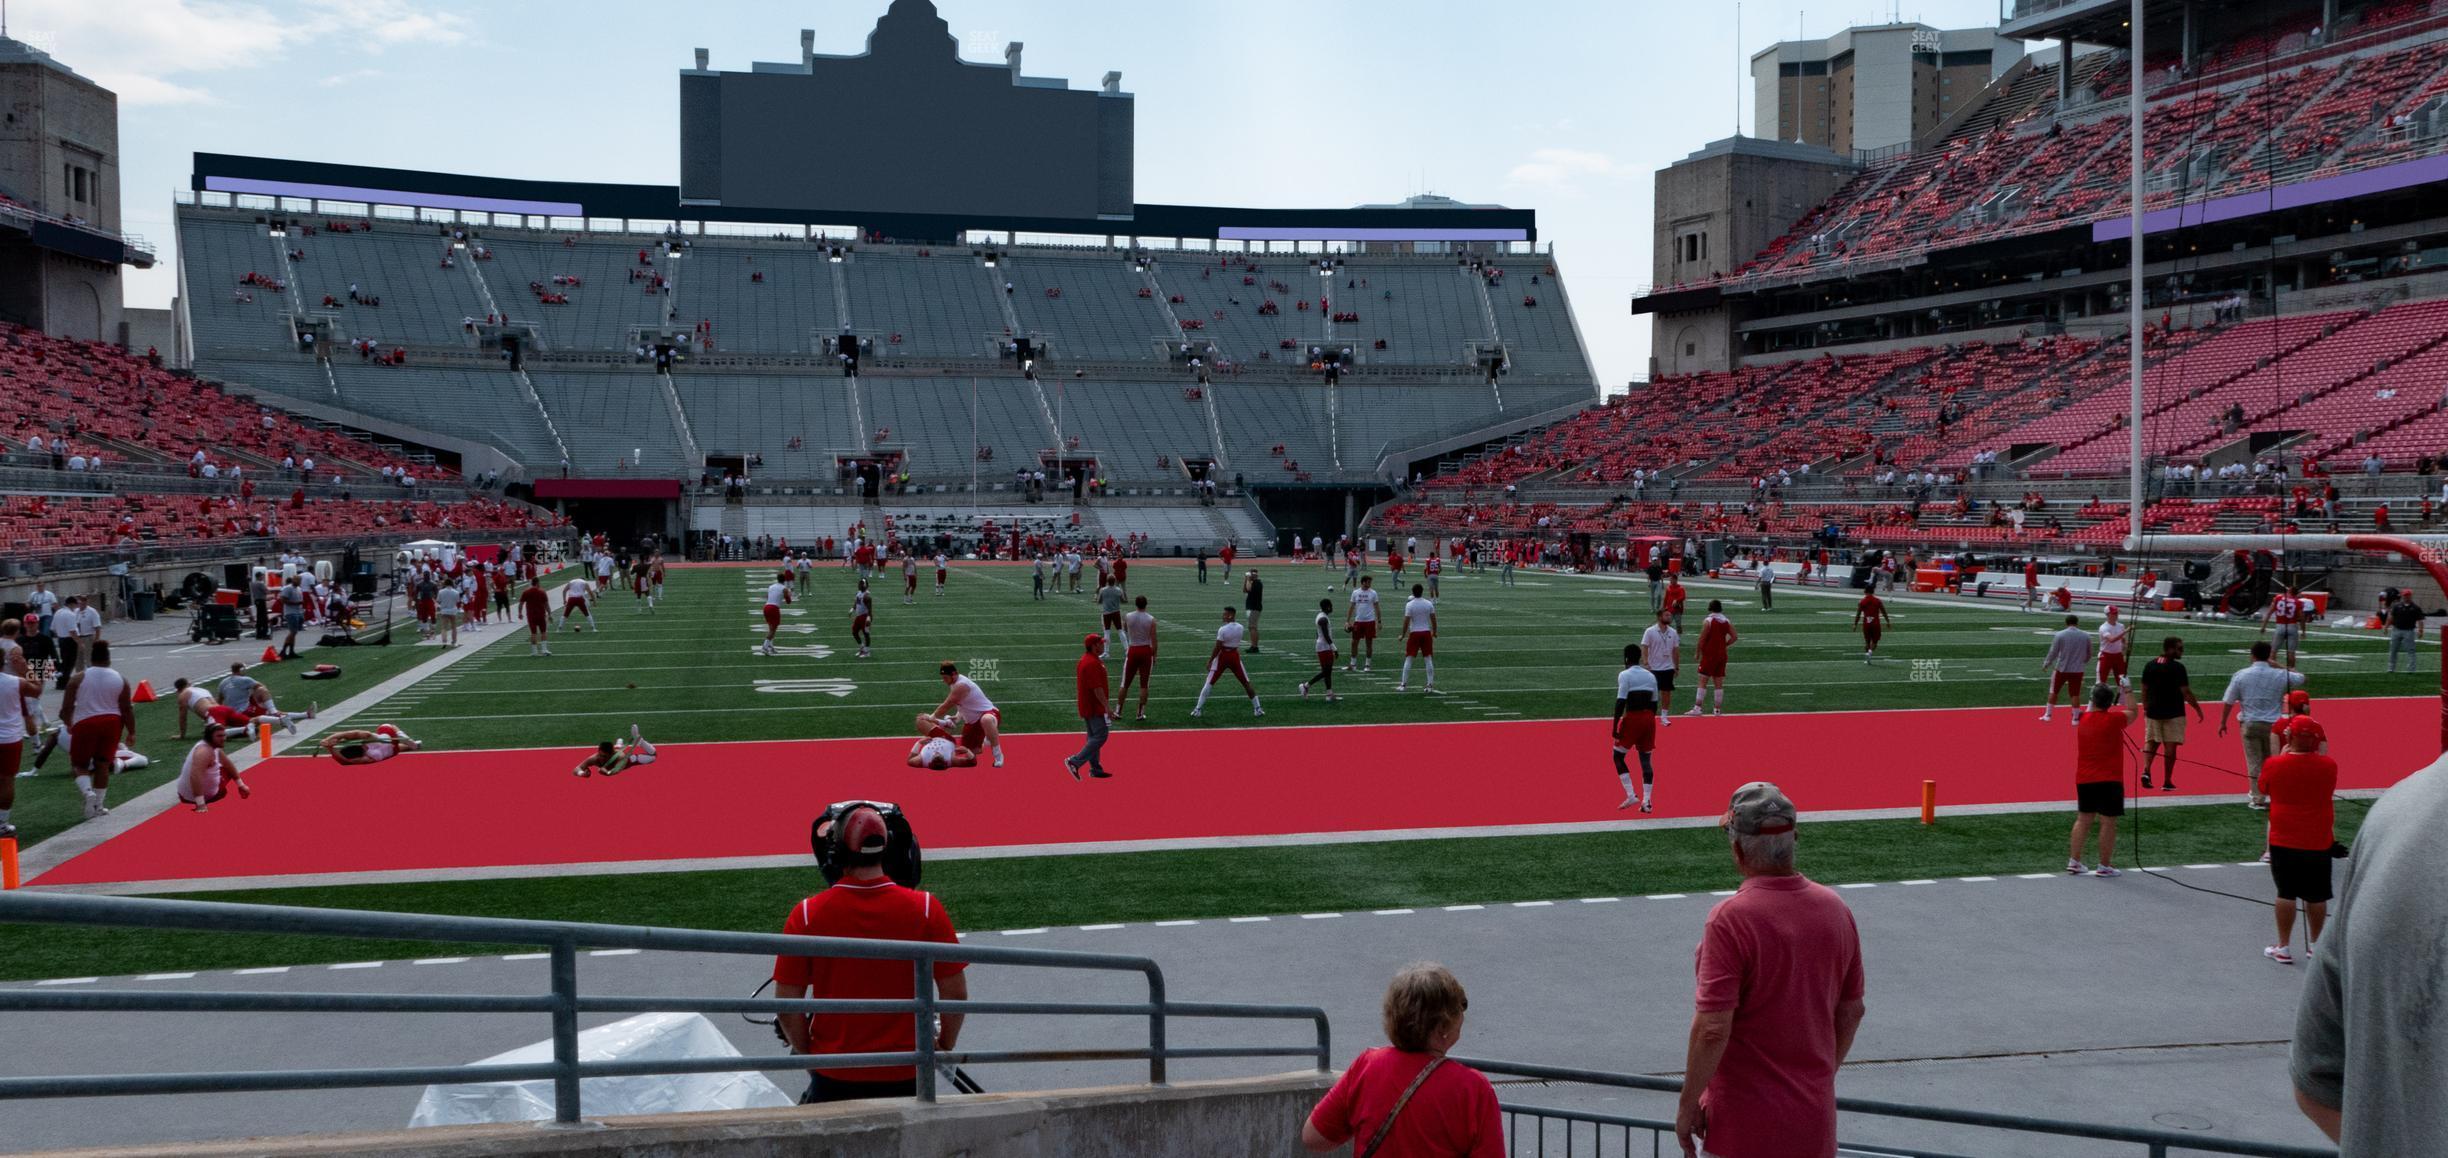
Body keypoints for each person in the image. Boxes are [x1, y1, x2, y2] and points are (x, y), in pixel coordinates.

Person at [1676, 782, 1867, 1158]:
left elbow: (1713, 1028)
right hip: (1813, 1125)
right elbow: (1852, 1010)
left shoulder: (1730, 920)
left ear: (1736, 848)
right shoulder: (1835, 910)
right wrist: (1816, 1079)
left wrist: (1686, 1105)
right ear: (1794, 839)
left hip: (1743, 1130)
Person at [2291, 756, 2448, 1151]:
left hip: (2293, 848)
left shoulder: (2394, 811)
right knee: (2313, 899)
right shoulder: (2329, 769)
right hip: (2316, 851)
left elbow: (2315, 1080)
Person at [771, 805, 968, 1104]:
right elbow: (955, 994)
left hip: (833, 1071)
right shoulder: (926, 908)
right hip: (906, 1069)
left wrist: (810, 1056)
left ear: (835, 852)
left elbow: (787, 1005)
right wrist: (942, 1044)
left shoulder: (807, 914)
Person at [1301, 962, 1502, 1157]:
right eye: (1460, 1010)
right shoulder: (1473, 1090)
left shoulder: (1369, 1065)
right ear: (1443, 1026)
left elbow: (1313, 1137)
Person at [2220, 641, 2306, 809]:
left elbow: (2229, 700)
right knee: (2274, 761)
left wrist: (2223, 722)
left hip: (2250, 723)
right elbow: (2301, 678)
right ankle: (2277, 794)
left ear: (2252, 655)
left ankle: (2258, 798)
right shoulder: (2279, 674)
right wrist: (2279, 665)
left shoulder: (2241, 674)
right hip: (2274, 725)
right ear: (2269, 656)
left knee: (2254, 762)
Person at [61, 641, 134, 821]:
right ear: (109, 659)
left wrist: (69, 723)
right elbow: (126, 708)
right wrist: (131, 731)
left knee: (80, 765)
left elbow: (66, 708)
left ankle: (87, 793)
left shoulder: (78, 678)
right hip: (112, 722)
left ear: (90, 659)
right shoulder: (121, 679)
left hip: (85, 722)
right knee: (103, 763)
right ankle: (99, 806)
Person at [2069, 684, 2132, 876]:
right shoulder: (2115, 719)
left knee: (2083, 819)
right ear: (2109, 702)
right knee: (2108, 822)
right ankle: (2104, 865)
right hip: (2109, 779)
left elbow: (2091, 706)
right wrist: (2127, 690)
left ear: (2093, 700)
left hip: (2085, 778)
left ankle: (2075, 861)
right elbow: (2134, 711)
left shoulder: (2083, 719)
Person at [2136, 636, 2205, 791]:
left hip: (2153, 711)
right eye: (2179, 648)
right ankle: (2167, 780)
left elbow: (2144, 688)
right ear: (2170, 649)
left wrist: (2145, 706)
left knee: (2151, 741)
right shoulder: (2178, 668)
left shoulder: (2150, 665)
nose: (2182, 651)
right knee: (2170, 746)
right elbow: (2186, 692)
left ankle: (2146, 770)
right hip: (2174, 712)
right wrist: (2197, 709)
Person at [1190, 606, 1263, 719]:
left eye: (1225, 614)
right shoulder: (1240, 627)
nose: (1222, 616)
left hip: (1223, 656)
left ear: (1230, 615)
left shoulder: (1223, 629)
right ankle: (1257, 708)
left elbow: (1218, 647)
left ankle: (1198, 709)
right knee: (1246, 682)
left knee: (1209, 682)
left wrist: (1210, 660)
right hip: (1234, 655)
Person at [1612, 644, 1661, 812]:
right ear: (1639, 657)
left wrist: (1615, 725)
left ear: (1626, 658)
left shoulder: (1625, 675)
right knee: (1646, 761)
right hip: (1648, 718)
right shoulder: (1650, 676)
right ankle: (1647, 801)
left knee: (1618, 756)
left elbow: (1621, 702)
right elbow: (1655, 703)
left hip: (1633, 717)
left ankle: (1631, 794)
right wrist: (1648, 720)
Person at [929, 662, 1005, 767]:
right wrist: (958, 717)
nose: (944, 680)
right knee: (973, 752)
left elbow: (947, 705)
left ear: (954, 674)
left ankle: (998, 756)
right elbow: (962, 703)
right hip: (972, 722)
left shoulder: (961, 685)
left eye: (945, 678)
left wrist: (931, 717)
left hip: (989, 713)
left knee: (986, 720)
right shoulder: (954, 683)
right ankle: (986, 738)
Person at [1064, 635, 1114, 781]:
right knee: (1101, 735)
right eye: (1100, 643)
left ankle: (1095, 769)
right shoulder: (1092, 663)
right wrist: (1107, 707)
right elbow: (1097, 689)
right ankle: (1075, 761)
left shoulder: (1087, 660)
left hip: (1088, 704)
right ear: (1094, 645)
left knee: (1093, 737)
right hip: (1094, 706)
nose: (1103, 645)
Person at [175, 722, 251, 813]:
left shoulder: (210, 746)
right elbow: (195, 777)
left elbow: (227, 763)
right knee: (225, 771)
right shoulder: (204, 753)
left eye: (224, 735)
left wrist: (241, 785)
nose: (223, 739)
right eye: (219, 736)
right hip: (205, 797)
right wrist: (201, 804)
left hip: (184, 795)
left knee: (226, 767)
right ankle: (202, 799)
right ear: (210, 737)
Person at [0, 660, 37, 838]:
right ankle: (2, 823)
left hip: (9, 737)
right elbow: (37, 690)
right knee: (7, 780)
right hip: (10, 738)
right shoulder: (15, 681)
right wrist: (28, 669)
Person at [2040, 614, 2093, 725]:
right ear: (2077, 623)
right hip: (2077, 669)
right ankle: (2075, 718)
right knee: (2075, 694)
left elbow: (2053, 652)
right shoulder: (2085, 636)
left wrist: (2046, 663)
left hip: (2062, 668)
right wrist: (2083, 662)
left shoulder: (2060, 635)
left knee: (2054, 691)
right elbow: (2089, 654)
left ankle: (2048, 715)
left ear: (2066, 623)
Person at [1690, 600, 1737, 717]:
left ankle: (1698, 707)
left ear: (1710, 609)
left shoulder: (1709, 621)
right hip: (1721, 655)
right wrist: (1724, 644)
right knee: (1718, 682)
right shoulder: (1726, 621)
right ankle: (1717, 709)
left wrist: (1697, 653)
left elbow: (1702, 639)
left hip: (1709, 655)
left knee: (1702, 681)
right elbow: (1734, 637)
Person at [1120, 596, 1158, 721]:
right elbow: (1154, 640)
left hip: (1133, 649)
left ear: (1136, 604)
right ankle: (1140, 712)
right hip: (1145, 651)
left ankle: (1118, 710)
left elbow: (1125, 629)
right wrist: (1155, 655)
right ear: (1146, 605)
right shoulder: (1151, 619)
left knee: (1125, 683)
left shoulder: (1128, 616)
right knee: (1144, 684)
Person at [1394, 584, 1437, 694]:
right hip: (1426, 632)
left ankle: (1403, 684)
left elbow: (1406, 621)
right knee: (1428, 658)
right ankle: (1430, 684)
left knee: (1409, 658)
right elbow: (1433, 619)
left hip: (1415, 633)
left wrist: (1402, 635)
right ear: (1422, 591)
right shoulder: (1428, 603)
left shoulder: (1410, 605)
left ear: (1412, 592)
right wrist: (1435, 632)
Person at [1641, 609, 1680, 723]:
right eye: (1666, 615)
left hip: (1668, 667)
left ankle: (1664, 716)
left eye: (1670, 615)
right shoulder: (1650, 631)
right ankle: (1650, 715)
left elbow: (1676, 650)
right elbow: (1644, 646)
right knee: (1652, 692)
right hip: (1653, 667)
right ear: (1659, 617)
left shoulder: (1673, 632)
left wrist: (1676, 666)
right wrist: (1646, 662)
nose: (1669, 617)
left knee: (1666, 692)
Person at [574, 726, 659, 777]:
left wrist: (607, 772)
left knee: (654, 756)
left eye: (604, 756)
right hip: (615, 751)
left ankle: (641, 742)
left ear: (611, 754)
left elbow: (616, 771)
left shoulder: (620, 757)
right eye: (599, 754)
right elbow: (576, 769)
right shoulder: (594, 758)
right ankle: (619, 744)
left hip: (628, 761)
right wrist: (582, 774)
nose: (600, 758)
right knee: (618, 747)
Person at [316, 724, 422, 764]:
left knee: (398, 747)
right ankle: (402, 735)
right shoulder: (367, 738)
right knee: (386, 727)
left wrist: (330, 747)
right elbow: (350, 734)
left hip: (391, 751)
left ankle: (413, 745)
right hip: (388, 738)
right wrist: (329, 740)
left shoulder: (367, 758)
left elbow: (346, 761)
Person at [905, 713, 979, 769]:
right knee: (923, 719)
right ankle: (946, 723)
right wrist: (967, 751)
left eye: (935, 756)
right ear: (944, 761)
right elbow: (972, 763)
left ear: (931, 761)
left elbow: (909, 760)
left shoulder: (922, 761)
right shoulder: (951, 760)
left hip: (931, 738)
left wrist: (919, 743)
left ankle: (947, 723)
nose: (937, 752)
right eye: (940, 755)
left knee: (920, 718)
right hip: (944, 738)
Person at [1301, 598, 1339, 703]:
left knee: (1327, 672)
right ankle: (1306, 686)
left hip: (1322, 646)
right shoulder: (1323, 619)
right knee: (1326, 671)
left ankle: (1329, 694)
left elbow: (1318, 633)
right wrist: (1334, 648)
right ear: (1327, 607)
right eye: (1331, 605)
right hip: (1324, 647)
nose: (1332, 607)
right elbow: (1326, 636)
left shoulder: (1321, 616)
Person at [2264, 586, 2307, 667]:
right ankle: (2292, 671)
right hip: (2292, 626)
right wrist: (2303, 631)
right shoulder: (2298, 602)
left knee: (2273, 651)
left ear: (2288, 591)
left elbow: (2269, 613)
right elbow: (2302, 618)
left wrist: (2263, 626)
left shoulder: (2278, 598)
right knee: (2291, 653)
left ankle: (2272, 669)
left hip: (2280, 626)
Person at [1346, 575, 1381, 673]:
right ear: (1363, 582)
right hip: (1358, 621)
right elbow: (1351, 607)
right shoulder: (1355, 592)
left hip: (1370, 621)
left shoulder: (1373, 593)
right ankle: (1353, 664)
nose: (1369, 584)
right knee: (1354, 642)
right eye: (1368, 582)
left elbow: (1377, 607)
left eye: (1370, 582)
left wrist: (1379, 621)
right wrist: (1347, 621)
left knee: (1369, 643)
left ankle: (1367, 664)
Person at [2384, 591, 2423, 673]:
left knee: (2411, 650)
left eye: (2408, 595)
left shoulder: (2416, 608)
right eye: (2405, 595)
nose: (2406, 597)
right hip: (2396, 630)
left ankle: (2411, 669)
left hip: (2409, 631)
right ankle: (2391, 668)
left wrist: (2420, 630)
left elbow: (2420, 620)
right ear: (2402, 596)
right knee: (2393, 650)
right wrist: (2386, 627)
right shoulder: (2396, 606)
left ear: (2411, 596)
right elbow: (2391, 617)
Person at [760, 570, 794, 657]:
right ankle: (764, 647)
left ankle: (771, 646)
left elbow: (767, 597)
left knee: (771, 628)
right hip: (774, 608)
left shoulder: (771, 586)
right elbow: (788, 602)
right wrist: (789, 594)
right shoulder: (784, 588)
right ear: (784, 580)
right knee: (773, 629)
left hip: (766, 607)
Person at [2095, 605, 2130, 690]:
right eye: (2114, 613)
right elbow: (2112, 640)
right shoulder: (2104, 627)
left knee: (2123, 681)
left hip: (2118, 656)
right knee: (2100, 682)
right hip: (2106, 656)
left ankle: (2123, 702)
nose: (2116, 615)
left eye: (2117, 613)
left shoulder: (2120, 626)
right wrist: (2126, 631)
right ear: (2107, 615)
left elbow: (2123, 639)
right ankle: (2093, 703)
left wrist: (2125, 646)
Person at [1854, 587, 1889, 663]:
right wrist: (1888, 621)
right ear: (1873, 592)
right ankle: (1870, 652)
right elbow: (1884, 612)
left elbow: (1858, 614)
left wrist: (1855, 624)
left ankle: (1867, 658)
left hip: (1866, 623)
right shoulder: (1878, 601)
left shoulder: (1862, 601)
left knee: (1867, 642)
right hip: (1875, 623)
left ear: (1865, 591)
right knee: (1875, 642)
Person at [522, 577, 554, 657]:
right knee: (543, 632)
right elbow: (546, 604)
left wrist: (519, 613)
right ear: (537, 583)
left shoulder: (526, 592)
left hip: (531, 615)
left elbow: (521, 603)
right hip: (541, 614)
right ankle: (544, 650)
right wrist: (550, 614)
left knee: (533, 633)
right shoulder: (542, 592)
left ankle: (534, 652)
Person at [1097, 577, 1127, 652]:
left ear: (1107, 581)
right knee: (1120, 630)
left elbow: (1099, 601)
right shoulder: (1118, 590)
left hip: (1106, 613)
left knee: (1107, 632)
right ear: (1114, 581)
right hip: (1116, 612)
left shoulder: (1103, 590)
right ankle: (1127, 649)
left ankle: (1106, 652)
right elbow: (1123, 600)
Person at [1242, 569, 1265, 652]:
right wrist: (1246, 579)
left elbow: (1248, 589)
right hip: (1251, 607)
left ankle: (1254, 646)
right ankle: (1253, 645)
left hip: (1254, 607)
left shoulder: (1257, 583)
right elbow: (1244, 590)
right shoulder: (1252, 582)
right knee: (1251, 627)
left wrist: (1248, 579)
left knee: (1253, 627)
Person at [849, 579, 874, 660]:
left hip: (865, 616)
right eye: (859, 583)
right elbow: (856, 602)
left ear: (865, 585)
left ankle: (867, 652)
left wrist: (869, 618)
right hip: (859, 616)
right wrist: (852, 608)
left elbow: (870, 610)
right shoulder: (858, 593)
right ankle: (862, 648)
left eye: (861, 584)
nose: (859, 585)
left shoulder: (867, 596)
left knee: (866, 634)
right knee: (854, 632)